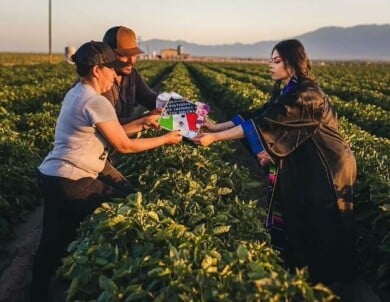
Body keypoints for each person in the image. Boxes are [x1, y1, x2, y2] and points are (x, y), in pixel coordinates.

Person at [192, 39, 357, 288]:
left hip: (327, 167)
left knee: (321, 220)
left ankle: (328, 281)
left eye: (276, 60)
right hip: (308, 163)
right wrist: (216, 126)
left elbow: (264, 125)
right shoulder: (289, 89)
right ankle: (305, 274)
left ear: (292, 63)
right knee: (300, 214)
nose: (270, 65)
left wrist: (215, 137)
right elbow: (258, 115)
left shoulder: (306, 94)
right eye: (270, 59)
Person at [30, 41, 182, 302]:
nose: (115, 75)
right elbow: (123, 144)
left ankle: (38, 292)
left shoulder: (77, 92)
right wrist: (165, 139)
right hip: (72, 180)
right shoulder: (95, 101)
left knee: (54, 239)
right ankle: (106, 279)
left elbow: (114, 132)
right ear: (98, 70)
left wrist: (145, 122)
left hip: (52, 176)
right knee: (126, 208)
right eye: (112, 69)